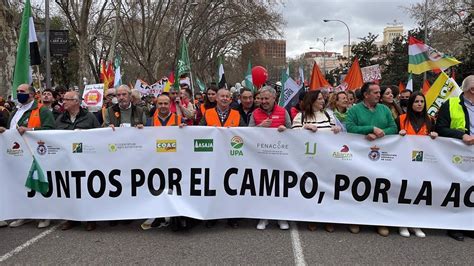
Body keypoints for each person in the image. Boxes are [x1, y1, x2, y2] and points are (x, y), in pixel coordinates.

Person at [346, 82, 398, 236]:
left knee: (379, 188)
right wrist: (369, 129)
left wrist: (380, 133)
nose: (378, 95)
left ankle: (379, 221)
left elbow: (393, 127)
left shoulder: (384, 109)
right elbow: (350, 127)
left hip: (381, 157)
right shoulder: (354, 110)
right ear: (365, 95)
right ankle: (356, 219)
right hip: (359, 157)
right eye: (374, 92)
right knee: (359, 187)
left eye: (378, 92)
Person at [0, 84, 55, 229]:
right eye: (17, 91)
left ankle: (44, 215)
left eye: (22, 91)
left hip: (36, 153)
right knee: (21, 184)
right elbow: (12, 131)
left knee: (38, 183)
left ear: (31, 94)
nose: (19, 94)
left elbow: (51, 130)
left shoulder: (42, 110)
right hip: (17, 155)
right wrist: (4, 131)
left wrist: (30, 130)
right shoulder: (14, 111)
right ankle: (24, 214)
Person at [291, 90, 340, 232]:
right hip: (308, 160)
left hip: (327, 159)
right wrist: (304, 128)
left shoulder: (328, 114)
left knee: (326, 189)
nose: (322, 101)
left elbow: (336, 131)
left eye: (322, 99)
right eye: (319, 99)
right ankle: (312, 217)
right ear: (311, 101)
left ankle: (327, 219)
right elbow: (292, 136)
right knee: (310, 189)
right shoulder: (300, 117)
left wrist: (336, 129)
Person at [435, 75, 474, 241]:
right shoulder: (450, 104)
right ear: (472, 89)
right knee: (457, 190)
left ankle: (469, 224)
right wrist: (461, 135)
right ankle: (454, 225)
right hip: (458, 154)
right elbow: (441, 128)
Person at [55, 91, 100, 231]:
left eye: (67, 100)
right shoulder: (60, 119)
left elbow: (99, 136)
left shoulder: (89, 117)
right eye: (63, 99)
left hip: (86, 162)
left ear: (76, 102)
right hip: (67, 162)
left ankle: (90, 219)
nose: (64, 102)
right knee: (70, 190)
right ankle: (72, 218)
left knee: (87, 189)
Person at [201, 88, 245, 228]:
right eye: (222, 96)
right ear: (216, 99)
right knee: (213, 187)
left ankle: (232, 217)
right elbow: (198, 132)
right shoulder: (207, 113)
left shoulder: (237, 114)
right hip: (212, 157)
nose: (225, 98)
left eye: (227, 96)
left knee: (231, 187)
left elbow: (246, 133)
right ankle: (213, 216)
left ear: (231, 99)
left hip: (232, 158)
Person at [248, 86, 291, 230]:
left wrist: (285, 130)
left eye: (267, 98)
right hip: (261, 157)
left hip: (280, 157)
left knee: (280, 188)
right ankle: (263, 217)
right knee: (263, 187)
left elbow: (293, 133)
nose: (264, 101)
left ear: (274, 98)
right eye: (262, 98)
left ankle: (281, 217)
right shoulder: (255, 113)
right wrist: (260, 126)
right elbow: (247, 134)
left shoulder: (283, 112)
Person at [396, 91, 437, 238]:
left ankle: (416, 223)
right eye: (416, 102)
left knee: (419, 193)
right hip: (404, 162)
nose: (419, 104)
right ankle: (402, 223)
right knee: (404, 191)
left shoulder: (430, 120)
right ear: (411, 104)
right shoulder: (401, 119)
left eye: (422, 101)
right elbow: (391, 141)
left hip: (423, 163)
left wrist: (435, 135)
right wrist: (398, 135)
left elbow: (438, 141)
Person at [143, 94, 186, 231]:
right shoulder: (149, 122)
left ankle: (174, 215)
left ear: (170, 105)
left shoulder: (179, 120)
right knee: (157, 188)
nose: (162, 106)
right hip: (156, 162)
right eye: (160, 104)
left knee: (174, 188)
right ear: (156, 105)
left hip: (174, 161)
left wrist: (186, 130)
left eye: (165, 104)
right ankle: (158, 215)